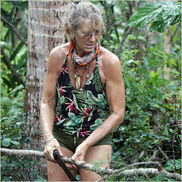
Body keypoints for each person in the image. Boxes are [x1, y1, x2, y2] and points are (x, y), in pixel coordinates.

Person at [40, 1, 125, 181]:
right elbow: (47, 102)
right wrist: (49, 139)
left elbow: (118, 113)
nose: (93, 39)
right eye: (86, 34)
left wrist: (85, 145)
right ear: (71, 31)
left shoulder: (109, 62)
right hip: (61, 136)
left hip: (96, 139)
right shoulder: (58, 56)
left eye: (97, 32)